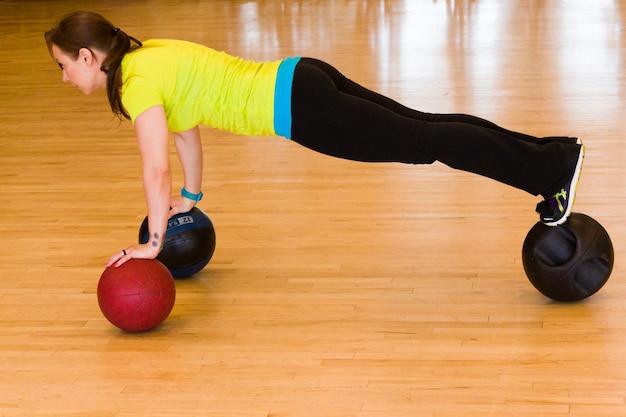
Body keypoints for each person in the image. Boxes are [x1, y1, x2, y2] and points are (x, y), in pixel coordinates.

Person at [45, 11, 584, 268]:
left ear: (89, 57)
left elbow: (153, 168)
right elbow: (185, 136)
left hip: (298, 108)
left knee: (425, 141)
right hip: (301, 75)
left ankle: (550, 168)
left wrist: (154, 243)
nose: (65, 79)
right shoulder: (148, 57)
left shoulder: (136, 84)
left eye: (64, 67)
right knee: (426, 127)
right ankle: (551, 155)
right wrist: (192, 198)